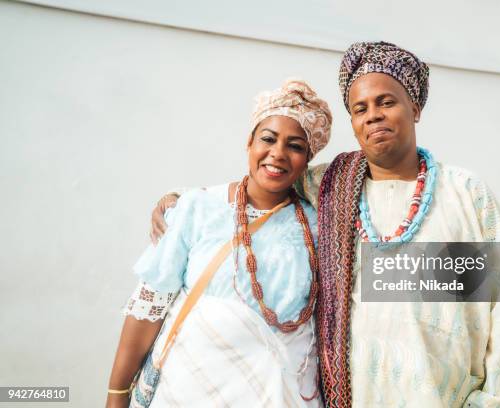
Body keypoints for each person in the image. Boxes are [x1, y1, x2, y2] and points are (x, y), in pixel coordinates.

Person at [152, 42, 500, 407]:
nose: (374, 115)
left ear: (414, 108)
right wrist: (182, 197)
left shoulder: (465, 193)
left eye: (387, 102)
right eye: (360, 108)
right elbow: (267, 179)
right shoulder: (331, 185)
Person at [107, 79, 332, 408]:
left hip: (279, 396)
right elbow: (147, 310)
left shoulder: (319, 225)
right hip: (186, 391)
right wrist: (116, 395)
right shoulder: (196, 207)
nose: (278, 153)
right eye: (268, 139)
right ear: (250, 142)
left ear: (307, 159)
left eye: (295, 146)